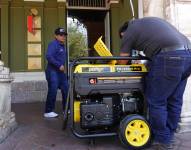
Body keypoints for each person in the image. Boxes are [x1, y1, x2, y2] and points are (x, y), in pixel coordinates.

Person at [118, 17, 191, 149]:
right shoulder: (148, 23)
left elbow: (122, 61)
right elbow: (156, 55)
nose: (125, 41)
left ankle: (162, 140)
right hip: (188, 55)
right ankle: (169, 135)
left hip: (170, 57)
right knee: (174, 99)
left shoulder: (129, 31)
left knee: (156, 101)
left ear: (124, 32)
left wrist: (115, 66)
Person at [44, 27, 68, 118]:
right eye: (61, 35)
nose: (63, 37)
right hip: (52, 71)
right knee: (53, 90)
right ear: (56, 36)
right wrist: (59, 65)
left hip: (60, 73)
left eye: (64, 35)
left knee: (66, 88)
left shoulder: (62, 45)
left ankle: (66, 109)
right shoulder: (53, 44)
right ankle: (48, 111)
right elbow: (49, 56)